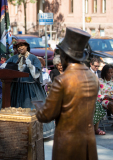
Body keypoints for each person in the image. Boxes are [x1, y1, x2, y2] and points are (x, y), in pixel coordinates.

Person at [33, 27, 98, 160]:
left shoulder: (62, 80)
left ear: (65, 56)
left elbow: (46, 115)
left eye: (60, 54)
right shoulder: (93, 78)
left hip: (68, 144)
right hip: (88, 143)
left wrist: (38, 105)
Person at [0, 39, 55, 138]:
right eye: (18, 46)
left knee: (32, 112)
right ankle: (17, 132)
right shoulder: (13, 58)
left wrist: (30, 65)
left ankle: (34, 133)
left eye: (22, 45)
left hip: (31, 89)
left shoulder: (34, 58)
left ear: (26, 46)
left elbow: (37, 74)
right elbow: (4, 67)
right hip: (16, 88)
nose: (20, 48)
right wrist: (5, 66)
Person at [89, 58, 106, 135]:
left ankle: (93, 128)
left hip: (98, 96)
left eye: (98, 66)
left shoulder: (99, 73)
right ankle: (94, 128)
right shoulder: (86, 73)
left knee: (98, 106)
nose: (97, 68)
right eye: (95, 66)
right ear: (91, 64)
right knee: (96, 106)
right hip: (88, 97)